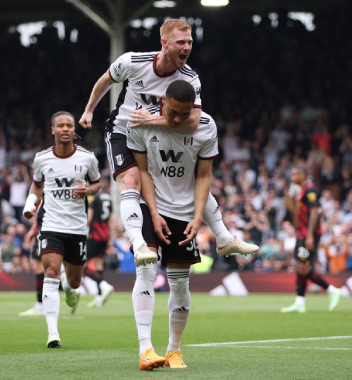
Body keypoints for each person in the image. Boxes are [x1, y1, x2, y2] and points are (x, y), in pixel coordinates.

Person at [78, 18, 257, 266]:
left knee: (191, 181)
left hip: (154, 134)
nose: (186, 47)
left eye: (190, 42)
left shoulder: (189, 79)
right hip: (122, 131)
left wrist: (151, 120)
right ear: (164, 43)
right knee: (131, 181)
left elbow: (193, 121)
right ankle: (139, 244)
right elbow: (105, 80)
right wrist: (89, 111)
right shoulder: (133, 62)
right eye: (180, 42)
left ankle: (224, 238)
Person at [126, 80, 218, 370]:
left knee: (179, 284)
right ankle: (146, 350)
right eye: (174, 112)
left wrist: (197, 216)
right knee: (146, 269)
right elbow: (142, 172)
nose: (178, 119)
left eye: (185, 113)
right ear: (163, 100)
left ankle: (174, 350)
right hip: (149, 203)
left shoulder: (205, 126)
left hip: (184, 210)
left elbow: (203, 176)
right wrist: (153, 213)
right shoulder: (140, 122)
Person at [23, 111, 101, 348]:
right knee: (50, 272)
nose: (66, 129)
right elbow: (37, 184)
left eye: (69, 125)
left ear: (73, 131)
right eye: (61, 125)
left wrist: (87, 190)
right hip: (51, 225)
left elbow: (97, 183)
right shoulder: (42, 158)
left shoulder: (88, 158)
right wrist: (30, 203)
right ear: (53, 130)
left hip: (77, 227)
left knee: (75, 281)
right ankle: (53, 333)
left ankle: (69, 287)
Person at [281, 167, 341, 314]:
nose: (292, 176)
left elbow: (314, 213)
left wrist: (309, 235)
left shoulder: (310, 190)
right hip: (301, 233)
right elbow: (297, 212)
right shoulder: (300, 191)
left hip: (309, 234)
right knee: (299, 268)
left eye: (295, 174)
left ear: (303, 175)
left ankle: (332, 290)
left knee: (303, 268)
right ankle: (299, 303)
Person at [85, 188, 115, 308]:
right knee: (99, 266)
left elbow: (89, 218)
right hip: (104, 235)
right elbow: (111, 221)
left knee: (81, 264)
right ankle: (99, 296)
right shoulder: (109, 199)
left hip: (94, 235)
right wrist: (110, 239)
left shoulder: (94, 199)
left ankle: (103, 284)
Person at [18, 214, 45, 316]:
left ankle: (40, 306)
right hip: (48, 232)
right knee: (46, 270)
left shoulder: (42, 198)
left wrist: (32, 231)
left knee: (39, 269)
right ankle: (68, 287)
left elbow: (40, 215)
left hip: (43, 233)